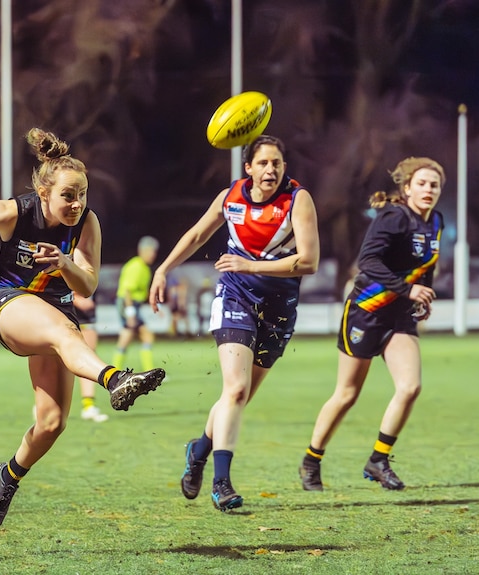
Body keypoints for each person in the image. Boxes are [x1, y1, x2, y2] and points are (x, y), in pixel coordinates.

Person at [0, 127, 165, 528]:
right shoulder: (17, 212)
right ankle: (115, 379)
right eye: (68, 195)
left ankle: (7, 477)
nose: (77, 203)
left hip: (57, 310)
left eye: (82, 194)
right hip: (11, 304)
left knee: (51, 423)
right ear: (45, 194)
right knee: (65, 333)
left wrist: (66, 264)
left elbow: (89, 286)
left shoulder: (87, 224)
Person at [148, 134, 320, 512]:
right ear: (248, 168)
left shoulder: (297, 200)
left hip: (278, 310)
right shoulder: (231, 197)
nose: (270, 169)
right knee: (236, 389)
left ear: (284, 168)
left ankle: (199, 451)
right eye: (263, 163)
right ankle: (221, 483)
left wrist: (250, 264)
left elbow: (309, 262)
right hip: (235, 298)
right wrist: (162, 270)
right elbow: (196, 235)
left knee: (237, 398)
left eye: (276, 163)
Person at [298, 157, 444, 492]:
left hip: (400, 315)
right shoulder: (393, 217)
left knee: (410, 387)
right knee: (347, 393)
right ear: (406, 188)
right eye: (421, 183)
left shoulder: (435, 220)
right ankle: (311, 460)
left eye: (434, 185)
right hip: (367, 310)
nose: (428, 190)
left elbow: (427, 264)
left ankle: (378, 460)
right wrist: (408, 289)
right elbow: (368, 261)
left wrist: (420, 297)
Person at [112, 235, 159, 371]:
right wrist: (131, 313)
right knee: (144, 336)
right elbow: (127, 291)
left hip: (131, 305)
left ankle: (114, 372)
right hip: (128, 304)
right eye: (151, 251)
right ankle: (148, 372)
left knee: (129, 337)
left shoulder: (143, 267)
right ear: (142, 250)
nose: (153, 255)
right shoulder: (136, 266)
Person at [73, 293, 110, 422]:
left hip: (85, 317)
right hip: (70, 313)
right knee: (85, 359)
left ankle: (88, 406)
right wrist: (74, 297)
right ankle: (43, 405)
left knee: (87, 358)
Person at [166, 271, 190, 338]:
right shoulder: (181, 288)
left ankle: (176, 333)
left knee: (177, 319)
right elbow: (181, 298)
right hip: (178, 306)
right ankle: (184, 333)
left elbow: (170, 299)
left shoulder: (172, 288)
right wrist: (182, 306)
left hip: (174, 306)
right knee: (181, 319)